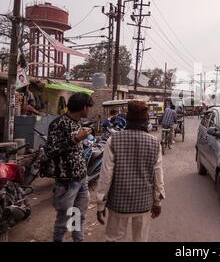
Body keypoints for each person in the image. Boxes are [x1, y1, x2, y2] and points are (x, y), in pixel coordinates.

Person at [96, 101, 165, 242]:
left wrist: (100, 203)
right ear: (146, 120)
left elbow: (106, 175)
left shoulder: (113, 140)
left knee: (114, 239)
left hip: (118, 203)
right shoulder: (154, 142)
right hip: (143, 203)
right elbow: (158, 175)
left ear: (127, 118)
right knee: (140, 239)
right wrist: (157, 202)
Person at [44, 93, 94, 242]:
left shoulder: (78, 122)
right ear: (83, 107)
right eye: (89, 107)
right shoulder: (58, 124)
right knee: (63, 221)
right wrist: (76, 139)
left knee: (79, 216)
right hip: (66, 181)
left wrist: (82, 140)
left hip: (82, 178)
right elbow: (51, 151)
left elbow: (74, 149)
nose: (89, 111)